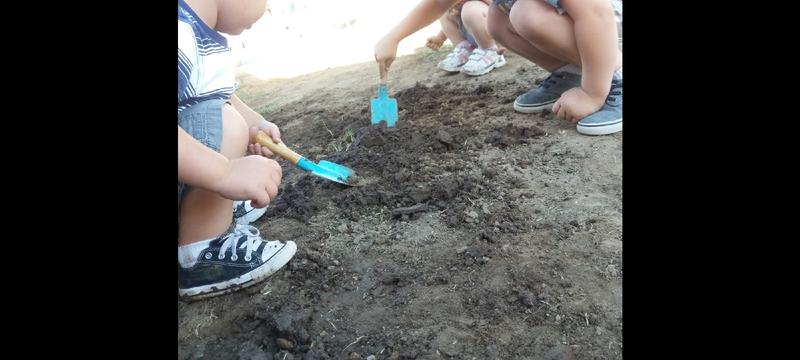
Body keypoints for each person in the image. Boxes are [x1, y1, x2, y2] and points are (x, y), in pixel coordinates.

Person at [178, 0, 297, 300]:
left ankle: (209, 211)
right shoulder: (180, 32)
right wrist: (224, 172)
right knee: (226, 122)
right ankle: (200, 250)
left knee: (229, 117)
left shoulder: (194, 28)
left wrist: (254, 123)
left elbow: (214, 92)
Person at [425, 0, 506, 76]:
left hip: (492, 31)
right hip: (474, 32)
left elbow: (499, 5)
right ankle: (465, 50)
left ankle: (490, 51)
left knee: (470, 8)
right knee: (445, 10)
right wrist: (440, 37)